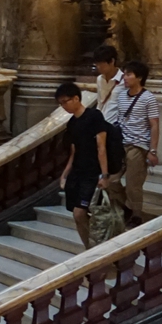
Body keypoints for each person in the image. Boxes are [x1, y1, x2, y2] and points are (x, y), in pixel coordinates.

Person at [56, 81, 117, 249]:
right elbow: (74, 151)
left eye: (65, 101)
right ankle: (90, 248)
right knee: (78, 215)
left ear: (76, 98)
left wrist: (104, 175)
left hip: (92, 172)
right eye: (61, 103)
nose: (64, 106)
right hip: (78, 171)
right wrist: (65, 173)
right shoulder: (72, 123)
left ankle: (96, 248)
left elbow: (101, 147)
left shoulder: (94, 116)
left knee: (80, 212)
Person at [104, 60, 161, 227]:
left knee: (133, 185)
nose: (125, 78)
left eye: (129, 74)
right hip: (121, 144)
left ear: (139, 78)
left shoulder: (148, 98)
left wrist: (153, 150)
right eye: (125, 74)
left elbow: (154, 124)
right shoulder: (121, 96)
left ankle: (136, 215)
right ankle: (126, 209)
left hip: (138, 146)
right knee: (112, 180)